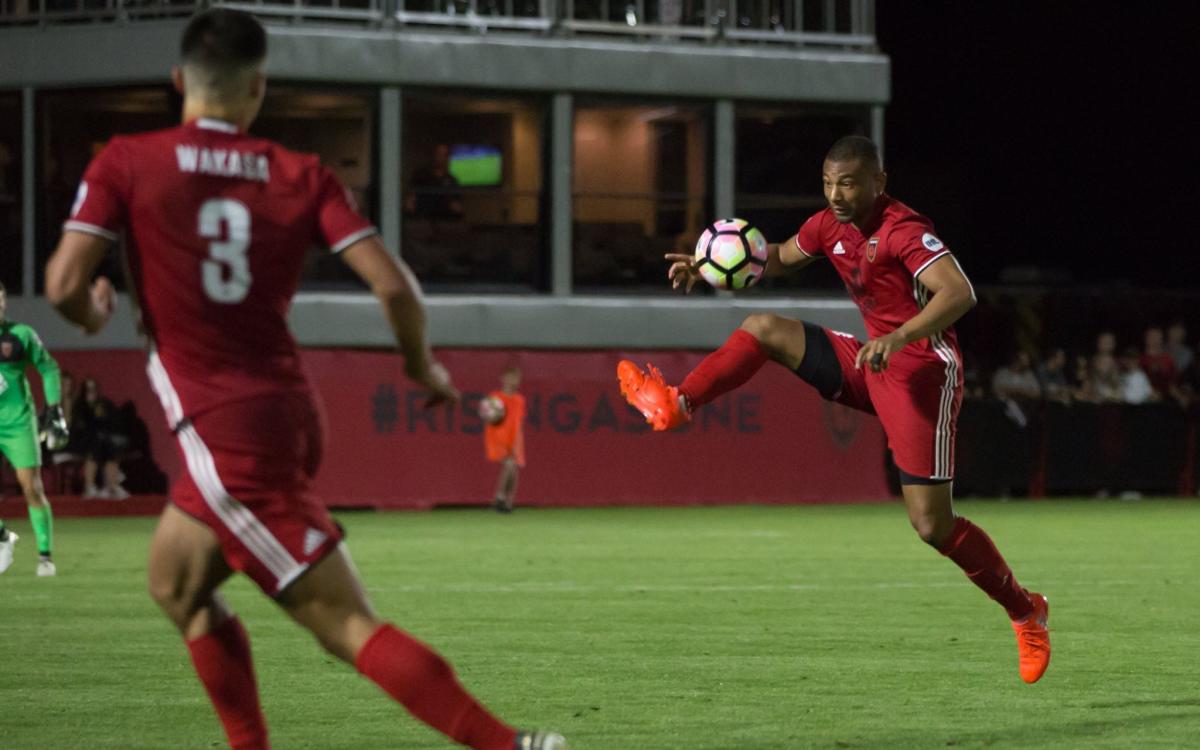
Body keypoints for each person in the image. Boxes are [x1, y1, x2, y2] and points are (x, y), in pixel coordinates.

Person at [44, 10, 566, 750]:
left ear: (177, 82)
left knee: (345, 623)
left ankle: (510, 746)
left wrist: (93, 310)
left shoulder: (129, 159)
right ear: (259, 88)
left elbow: (64, 282)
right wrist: (422, 366)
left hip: (222, 431)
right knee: (177, 584)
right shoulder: (301, 173)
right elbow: (394, 289)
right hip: (284, 408)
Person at [617, 135, 1051, 684]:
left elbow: (959, 293)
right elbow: (774, 257)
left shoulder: (904, 230)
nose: (836, 194)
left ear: (878, 183)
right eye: (828, 183)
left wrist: (900, 338)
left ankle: (1024, 609)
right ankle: (678, 402)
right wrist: (709, 267)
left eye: (847, 183)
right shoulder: (829, 225)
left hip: (923, 377)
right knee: (763, 329)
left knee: (931, 525)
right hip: (872, 360)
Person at [0, 280, 67, 577]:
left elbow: (48, 367)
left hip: (18, 422)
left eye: (0, 299)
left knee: (32, 487)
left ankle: (45, 556)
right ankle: (3, 537)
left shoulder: (21, 335)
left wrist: (53, 407)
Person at [77, 376, 131, 499]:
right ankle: (89, 487)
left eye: (94, 389)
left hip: (102, 442)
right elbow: (80, 427)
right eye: (88, 390)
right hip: (81, 441)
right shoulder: (80, 405)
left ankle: (112, 487)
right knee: (95, 445)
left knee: (111, 447)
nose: (92, 392)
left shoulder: (104, 404)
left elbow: (112, 423)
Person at [482, 366, 526, 513]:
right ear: (503, 379)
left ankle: (508, 502)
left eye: (516, 378)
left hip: (514, 438)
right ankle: (499, 498)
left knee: (513, 469)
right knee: (508, 465)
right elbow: (486, 416)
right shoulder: (495, 397)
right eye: (510, 377)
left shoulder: (519, 400)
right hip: (498, 437)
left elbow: (519, 421)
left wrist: (517, 441)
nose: (513, 381)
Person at [405, 143, 464, 220]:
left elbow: (457, 207)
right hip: (423, 221)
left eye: (445, 155)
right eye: (439, 153)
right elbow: (410, 202)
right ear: (433, 155)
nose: (441, 158)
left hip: (445, 223)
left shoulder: (452, 180)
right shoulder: (420, 176)